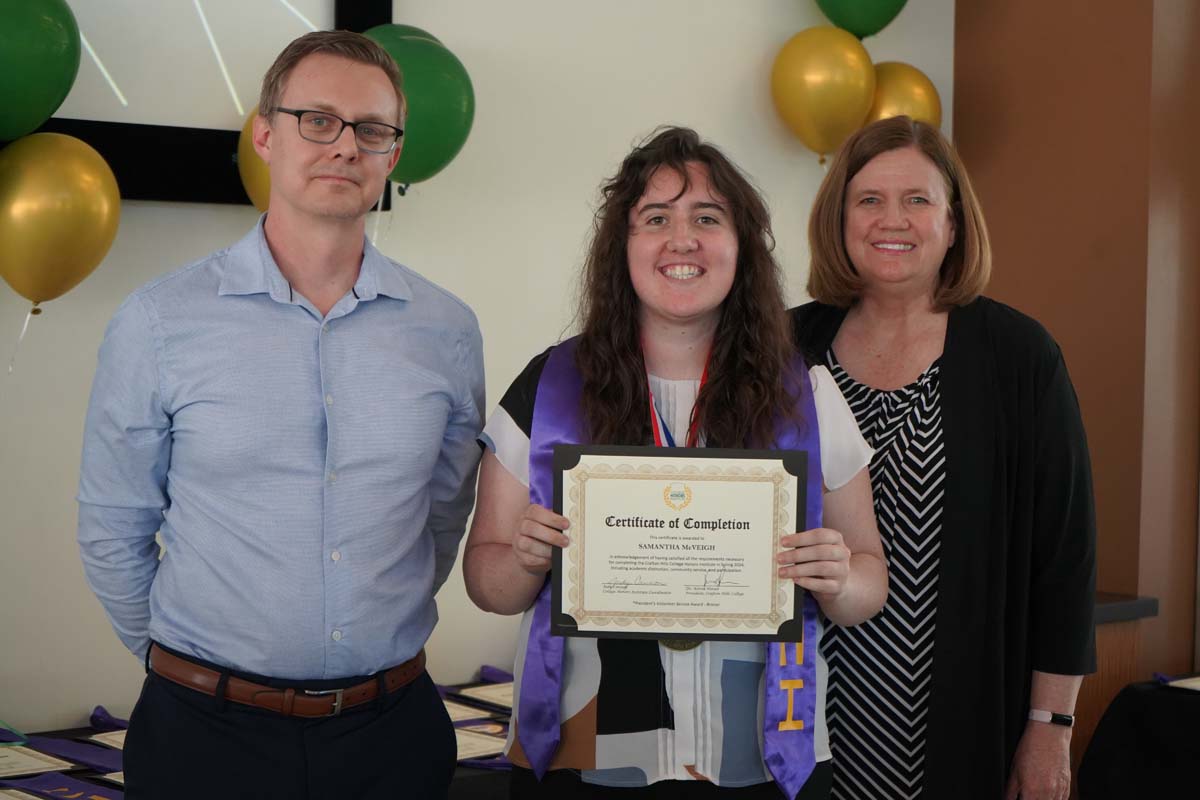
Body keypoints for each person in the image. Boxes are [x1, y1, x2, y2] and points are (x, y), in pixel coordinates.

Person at [76, 31, 484, 800]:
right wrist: (191, 670)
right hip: (202, 736)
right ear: (266, 134)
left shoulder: (448, 330)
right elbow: (112, 528)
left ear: (393, 154)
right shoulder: (159, 322)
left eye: (372, 129)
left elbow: (439, 517)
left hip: (393, 735)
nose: (345, 146)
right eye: (317, 120)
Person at [463, 126, 887, 799]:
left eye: (707, 218)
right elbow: (487, 584)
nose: (681, 238)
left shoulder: (804, 391)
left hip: (762, 754)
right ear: (620, 248)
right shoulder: (548, 387)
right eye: (655, 218)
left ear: (741, 245)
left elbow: (869, 586)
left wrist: (839, 577)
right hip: (587, 753)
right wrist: (521, 559)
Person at [792, 115, 1097, 800]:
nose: (890, 220)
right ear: (839, 220)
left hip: (952, 723)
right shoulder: (785, 348)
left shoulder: (1019, 358)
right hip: (795, 722)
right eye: (868, 200)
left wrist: (1051, 727)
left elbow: (1065, 559)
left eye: (917, 200)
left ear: (954, 224)